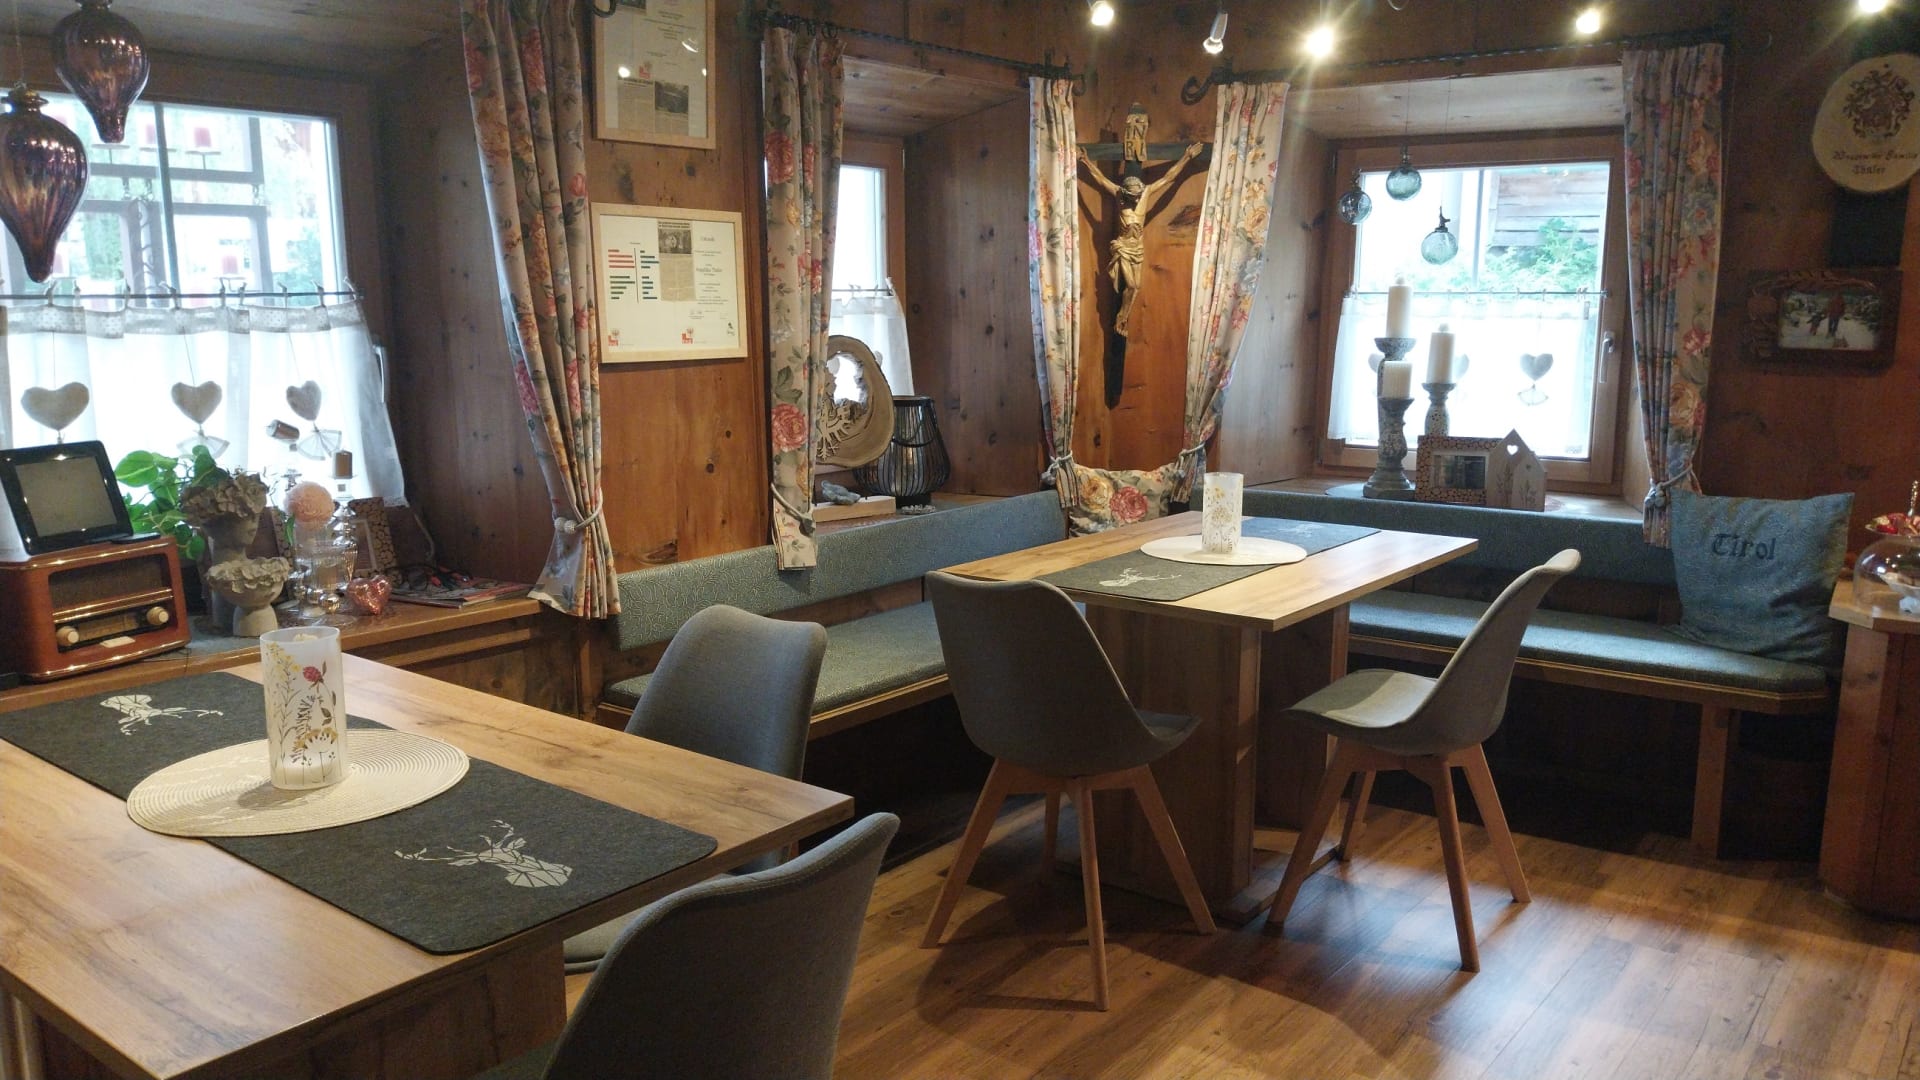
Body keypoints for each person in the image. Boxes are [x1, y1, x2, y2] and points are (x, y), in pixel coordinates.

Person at [1077, 142, 1204, 337]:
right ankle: (1121, 318)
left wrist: (1186, 157)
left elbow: (1169, 178)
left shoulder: (1146, 192)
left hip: (1137, 248)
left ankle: (1123, 317)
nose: (1136, 200)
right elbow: (1100, 180)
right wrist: (1086, 160)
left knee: (1135, 288)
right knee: (1132, 285)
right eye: (1132, 197)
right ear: (1126, 193)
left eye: (1137, 196)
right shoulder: (1119, 194)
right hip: (1123, 247)